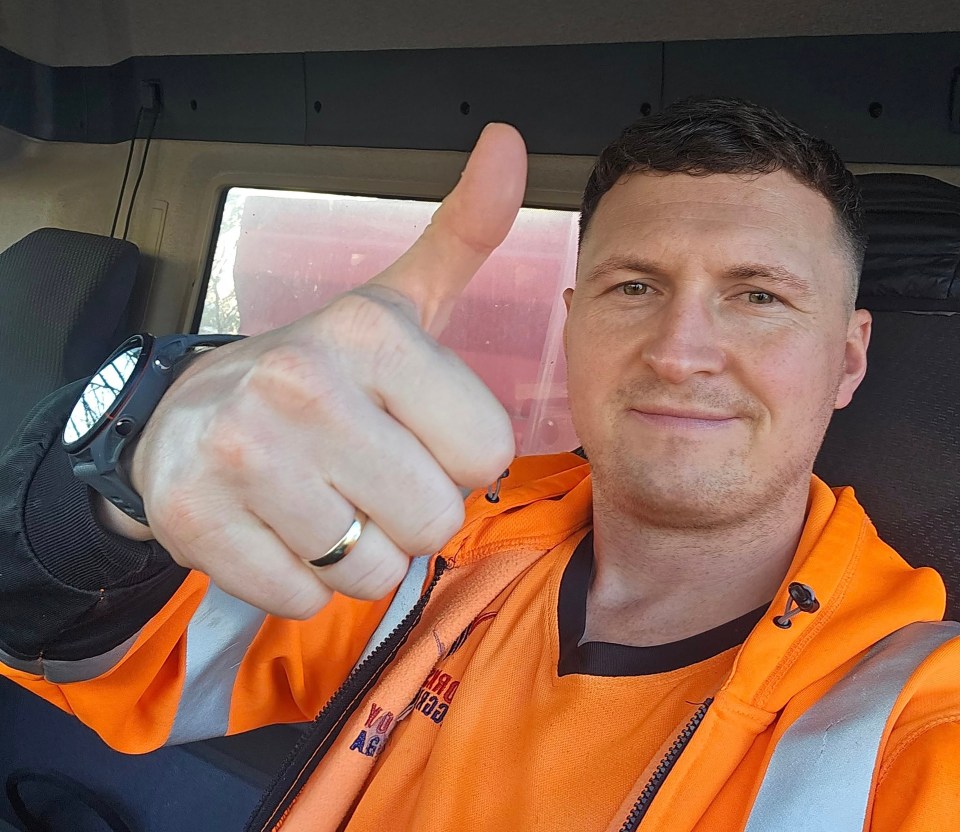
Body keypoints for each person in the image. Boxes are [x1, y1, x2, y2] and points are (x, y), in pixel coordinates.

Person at [1, 97, 957, 832]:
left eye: (757, 297)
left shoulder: (910, 714)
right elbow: (70, 648)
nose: (680, 351)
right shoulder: (431, 541)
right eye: (636, 286)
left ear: (848, 357)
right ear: (575, 318)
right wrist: (133, 453)